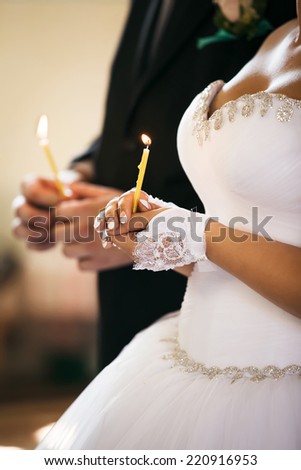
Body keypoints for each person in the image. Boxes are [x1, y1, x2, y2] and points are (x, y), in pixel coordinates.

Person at [36, 0, 301, 450]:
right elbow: (254, 229)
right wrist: (156, 229)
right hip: (184, 355)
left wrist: (196, 232)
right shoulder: (281, 36)